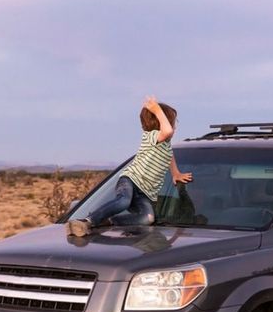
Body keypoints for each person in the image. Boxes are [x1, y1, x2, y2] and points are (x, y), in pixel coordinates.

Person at [67, 97, 192, 236]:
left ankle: (107, 220)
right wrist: (157, 109)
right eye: (173, 122)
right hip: (131, 180)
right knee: (123, 202)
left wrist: (175, 173)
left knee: (148, 218)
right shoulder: (151, 136)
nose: (175, 127)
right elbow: (167, 131)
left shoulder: (165, 145)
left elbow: (169, 155)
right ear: (160, 122)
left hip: (144, 192)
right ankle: (87, 221)